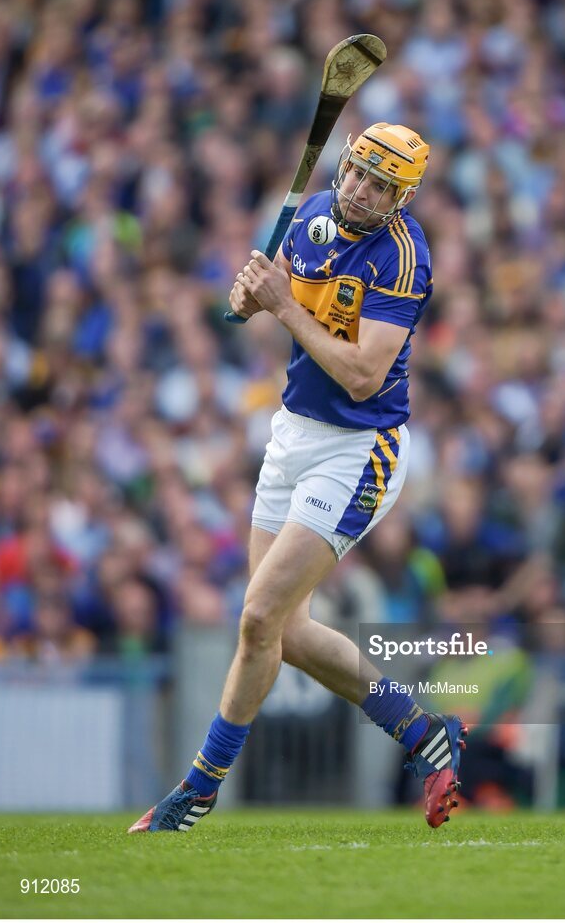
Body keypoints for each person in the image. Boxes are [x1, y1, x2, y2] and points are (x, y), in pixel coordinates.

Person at [129, 123, 467, 833]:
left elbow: (362, 374)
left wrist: (281, 304)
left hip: (359, 449)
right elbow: (258, 298)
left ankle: (197, 789)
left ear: (402, 198)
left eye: (381, 185)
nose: (362, 190)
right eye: (358, 173)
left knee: (257, 616)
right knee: (286, 630)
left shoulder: (403, 257)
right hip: (292, 435)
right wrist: (250, 296)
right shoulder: (311, 214)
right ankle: (422, 732)